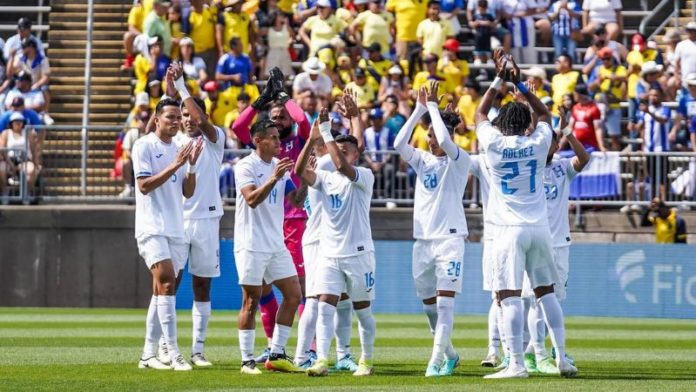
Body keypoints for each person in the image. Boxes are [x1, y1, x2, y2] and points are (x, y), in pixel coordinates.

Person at [475, 49, 576, 379]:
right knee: (546, 292)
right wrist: (520, 83)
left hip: (508, 229)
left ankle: (516, 363)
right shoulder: (538, 143)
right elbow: (544, 113)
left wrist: (500, 79)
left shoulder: (492, 143)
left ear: (501, 125)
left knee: (508, 295)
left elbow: (479, 112)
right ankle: (562, 357)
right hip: (539, 227)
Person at [232, 68, 312, 363]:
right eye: (273, 134)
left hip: (279, 238)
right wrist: (263, 99)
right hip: (252, 242)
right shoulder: (247, 165)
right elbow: (251, 199)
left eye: (280, 131)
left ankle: (278, 354)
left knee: (293, 294)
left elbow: (296, 197)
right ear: (259, 140)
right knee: (252, 300)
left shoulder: (287, 152)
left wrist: (306, 181)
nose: (279, 137)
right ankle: (247, 360)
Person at [393, 82, 471, 377]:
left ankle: (435, 360)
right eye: (427, 136)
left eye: (434, 135)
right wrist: (419, 111)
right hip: (422, 241)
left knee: (444, 303)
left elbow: (445, 140)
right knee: (428, 306)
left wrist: (435, 109)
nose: (430, 140)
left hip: (450, 240)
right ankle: (450, 354)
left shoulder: (460, 160)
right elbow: (399, 144)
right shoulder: (423, 160)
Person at [296, 109, 377, 378]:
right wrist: (312, 137)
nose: (340, 153)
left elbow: (343, 165)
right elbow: (299, 172)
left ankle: (366, 359)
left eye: (346, 149)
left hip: (358, 254)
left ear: (356, 155)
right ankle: (321, 359)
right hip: (330, 253)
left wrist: (328, 131)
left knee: (362, 311)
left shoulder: (364, 176)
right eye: (337, 148)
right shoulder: (326, 179)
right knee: (324, 305)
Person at [132, 97, 203, 372]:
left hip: (176, 228)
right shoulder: (144, 145)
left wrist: (192, 166)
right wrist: (176, 164)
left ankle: (147, 354)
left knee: (161, 291)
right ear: (157, 118)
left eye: (178, 117)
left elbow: (187, 191)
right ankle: (173, 353)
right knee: (167, 287)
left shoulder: (180, 147)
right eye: (170, 117)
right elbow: (144, 186)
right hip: (152, 227)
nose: (175, 122)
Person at [165, 63, 226, 367]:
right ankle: (166, 346)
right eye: (184, 116)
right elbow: (165, 114)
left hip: (206, 220)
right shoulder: (173, 142)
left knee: (202, 286)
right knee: (169, 283)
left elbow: (201, 118)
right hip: (177, 221)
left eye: (191, 115)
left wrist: (183, 88)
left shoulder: (215, 140)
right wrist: (171, 88)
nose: (188, 120)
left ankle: (198, 350)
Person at [525, 106, 589, 374]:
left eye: (553, 141)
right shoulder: (528, 167)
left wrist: (567, 132)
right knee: (534, 299)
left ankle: (538, 351)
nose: (550, 145)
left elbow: (584, 159)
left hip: (560, 242)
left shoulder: (563, 167)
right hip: (538, 240)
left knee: (554, 299)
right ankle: (539, 353)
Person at [0, 112, 40, 202]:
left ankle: (27, 192)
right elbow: (2, 149)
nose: (18, 123)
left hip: (24, 160)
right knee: (1, 170)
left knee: (31, 170)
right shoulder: (6, 133)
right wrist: (11, 164)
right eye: (16, 122)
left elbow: (33, 149)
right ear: (11, 123)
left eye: (20, 121)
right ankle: (4, 191)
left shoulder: (28, 133)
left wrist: (36, 161)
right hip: (8, 160)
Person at [565, 85, 605, 151]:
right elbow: (569, 128)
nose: (573, 96)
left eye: (574, 94)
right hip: (575, 146)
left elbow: (598, 129)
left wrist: (601, 146)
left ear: (580, 95)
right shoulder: (575, 107)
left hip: (590, 146)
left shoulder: (594, 108)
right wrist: (561, 144)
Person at [120, 110, 150, 198]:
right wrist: (135, 158)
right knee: (125, 162)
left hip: (149, 161)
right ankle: (128, 187)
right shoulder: (131, 132)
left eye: (146, 120)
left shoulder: (152, 133)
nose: (144, 122)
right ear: (137, 121)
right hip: (134, 160)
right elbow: (126, 149)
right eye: (142, 120)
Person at [264, 10, 295, 79]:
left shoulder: (287, 27)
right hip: (273, 52)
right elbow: (257, 35)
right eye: (280, 16)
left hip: (285, 51)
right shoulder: (269, 29)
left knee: (285, 75)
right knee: (273, 76)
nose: (282, 17)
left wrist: (290, 41)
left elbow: (293, 36)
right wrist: (263, 45)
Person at [675, 22, 696, 89]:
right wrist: (677, 78)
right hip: (685, 78)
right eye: (688, 30)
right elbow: (677, 63)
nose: (690, 32)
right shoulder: (681, 45)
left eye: (692, 30)